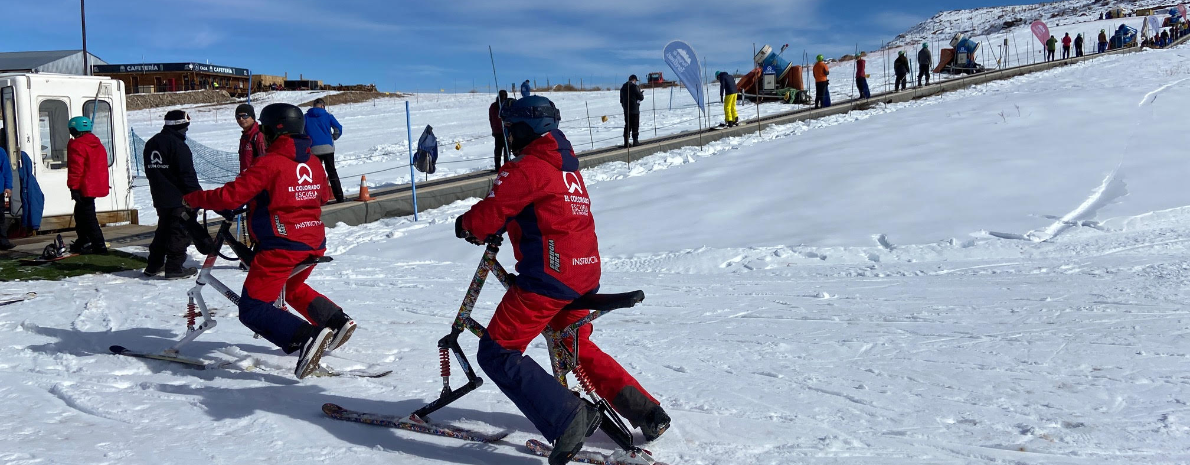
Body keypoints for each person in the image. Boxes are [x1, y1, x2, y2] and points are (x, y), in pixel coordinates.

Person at [455, 95, 670, 464]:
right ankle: (648, 412)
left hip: (549, 280)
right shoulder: (567, 168)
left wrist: (465, 226)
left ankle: (568, 419)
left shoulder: (526, 168)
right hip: (583, 274)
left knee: (497, 350)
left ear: (525, 129)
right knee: (574, 347)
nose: (507, 135)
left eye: (510, 128)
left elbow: (491, 213)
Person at [182, 103, 355, 380]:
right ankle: (336, 321)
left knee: (253, 308)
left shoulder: (269, 162)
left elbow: (231, 196)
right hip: (313, 240)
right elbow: (322, 196)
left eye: (263, 128)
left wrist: (193, 198)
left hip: (282, 245)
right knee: (291, 286)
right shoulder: (312, 161)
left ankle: (306, 338)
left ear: (272, 130)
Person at [144, 110, 202, 279]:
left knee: (163, 230)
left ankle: (153, 265)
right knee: (179, 231)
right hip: (179, 198)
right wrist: (197, 196)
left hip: (159, 195)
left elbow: (150, 171)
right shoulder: (178, 145)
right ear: (181, 126)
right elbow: (187, 174)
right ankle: (174, 267)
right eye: (186, 127)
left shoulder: (152, 142)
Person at [65, 116, 109, 255]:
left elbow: (76, 168)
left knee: (88, 217)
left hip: (84, 186)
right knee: (81, 214)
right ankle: (84, 240)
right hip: (95, 185)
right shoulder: (96, 143)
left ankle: (98, 245)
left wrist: (74, 187)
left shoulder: (77, 145)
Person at [304, 98, 345, 203]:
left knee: (315, 174)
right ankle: (339, 197)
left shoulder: (306, 117)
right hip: (328, 147)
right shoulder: (328, 116)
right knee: (332, 173)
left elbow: (301, 131)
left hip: (313, 149)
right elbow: (338, 128)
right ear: (323, 106)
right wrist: (333, 137)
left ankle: (316, 199)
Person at [488, 90, 514, 171]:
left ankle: (497, 167)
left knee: (498, 150)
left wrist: (493, 129)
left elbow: (491, 119)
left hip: (496, 131)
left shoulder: (493, 106)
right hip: (505, 130)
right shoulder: (505, 105)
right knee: (507, 150)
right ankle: (506, 167)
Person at [236, 104, 266, 173]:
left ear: (252, 117)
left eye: (245, 116)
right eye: (238, 117)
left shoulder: (258, 135)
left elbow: (265, 161)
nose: (241, 119)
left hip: (256, 179)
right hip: (246, 178)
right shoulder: (245, 136)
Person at [619, 75, 645, 147]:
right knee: (635, 125)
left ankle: (626, 142)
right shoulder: (634, 87)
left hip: (626, 110)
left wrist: (625, 107)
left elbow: (621, 100)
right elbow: (640, 97)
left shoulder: (623, 87)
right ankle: (635, 141)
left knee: (627, 125)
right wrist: (641, 94)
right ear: (634, 80)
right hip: (634, 109)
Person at [0, 131, 13, 251]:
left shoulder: (1, 152)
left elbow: (6, 170)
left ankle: (3, 241)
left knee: (0, 217)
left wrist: (8, 186)